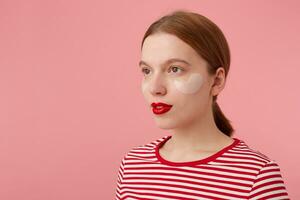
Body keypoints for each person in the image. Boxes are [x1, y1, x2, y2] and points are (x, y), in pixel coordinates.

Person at [115, 10, 289, 200]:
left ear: (216, 81)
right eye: (147, 71)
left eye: (175, 69)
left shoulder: (257, 177)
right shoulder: (133, 165)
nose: (155, 88)